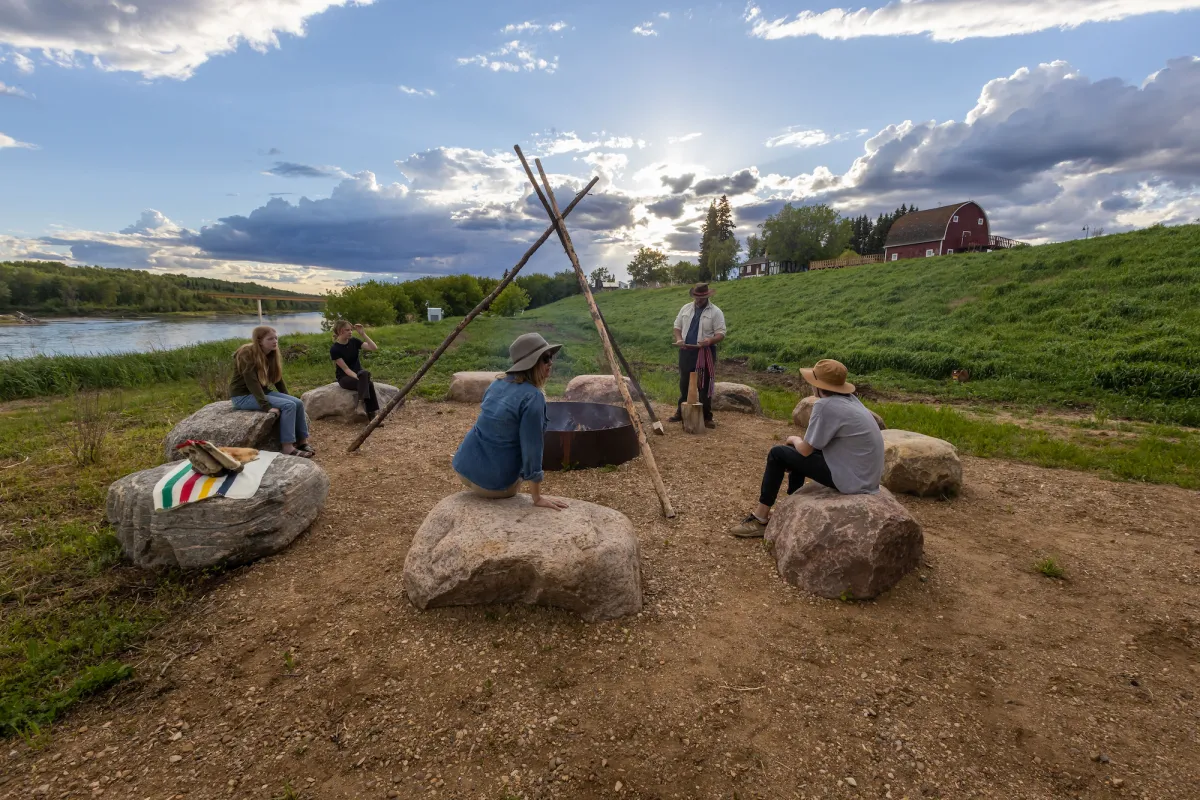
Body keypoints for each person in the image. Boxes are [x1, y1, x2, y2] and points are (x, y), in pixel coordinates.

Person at [728, 359, 884, 538]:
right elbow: (815, 445)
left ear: (818, 385)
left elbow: (805, 450)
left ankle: (760, 518)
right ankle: (792, 503)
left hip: (853, 480)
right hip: (866, 475)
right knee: (793, 454)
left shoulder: (825, 405)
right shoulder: (851, 400)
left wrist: (793, 439)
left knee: (778, 454)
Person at [451, 333, 569, 510]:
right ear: (531, 363)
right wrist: (537, 497)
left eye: (551, 357)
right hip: (493, 484)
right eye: (545, 358)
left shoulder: (497, 384)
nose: (550, 363)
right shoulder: (533, 397)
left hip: (464, 466)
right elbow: (532, 448)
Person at [229, 326, 314, 458]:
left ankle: (302, 441)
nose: (275, 341)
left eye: (276, 338)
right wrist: (266, 406)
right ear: (259, 341)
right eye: (270, 339)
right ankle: (287, 447)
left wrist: (288, 395)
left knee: (297, 402)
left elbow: (277, 379)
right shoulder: (247, 354)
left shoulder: (272, 353)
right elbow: (252, 382)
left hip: (262, 392)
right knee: (288, 405)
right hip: (242, 397)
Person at [669, 282, 726, 429]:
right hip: (686, 351)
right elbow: (677, 327)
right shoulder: (686, 308)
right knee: (684, 383)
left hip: (705, 352)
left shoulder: (715, 312)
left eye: (701, 298)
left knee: (705, 384)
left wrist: (710, 340)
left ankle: (707, 416)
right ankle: (681, 412)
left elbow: (721, 333)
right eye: (696, 297)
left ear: (707, 296)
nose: (698, 300)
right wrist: (679, 339)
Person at [329, 320, 381, 422]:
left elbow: (373, 348)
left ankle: (364, 408)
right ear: (340, 331)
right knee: (367, 382)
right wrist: (360, 378)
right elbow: (346, 369)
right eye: (347, 330)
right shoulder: (335, 349)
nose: (350, 332)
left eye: (351, 330)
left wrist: (363, 334)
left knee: (366, 377)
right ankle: (371, 415)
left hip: (360, 374)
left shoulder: (354, 341)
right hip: (344, 378)